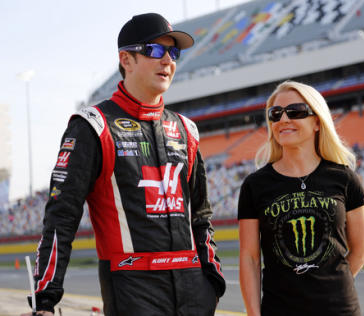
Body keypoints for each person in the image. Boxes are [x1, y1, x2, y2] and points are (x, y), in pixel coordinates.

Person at [22, 13, 225, 316]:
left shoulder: (186, 130)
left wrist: (213, 281)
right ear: (126, 59)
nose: (167, 60)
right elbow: (60, 218)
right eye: (155, 50)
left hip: (194, 292)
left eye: (173, 52)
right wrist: (46, 301)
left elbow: (200, 217)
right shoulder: (93, 126)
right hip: (133, 291)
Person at [238, 80, 364, 316]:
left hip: (339, 309)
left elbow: (360, 251)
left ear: (317, 122)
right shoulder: (255, 185)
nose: (284, 120)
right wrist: (253, 313)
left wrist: (331, 288)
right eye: (276, 114)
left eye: (296, 111)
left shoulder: (345, 179)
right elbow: (249, 258)